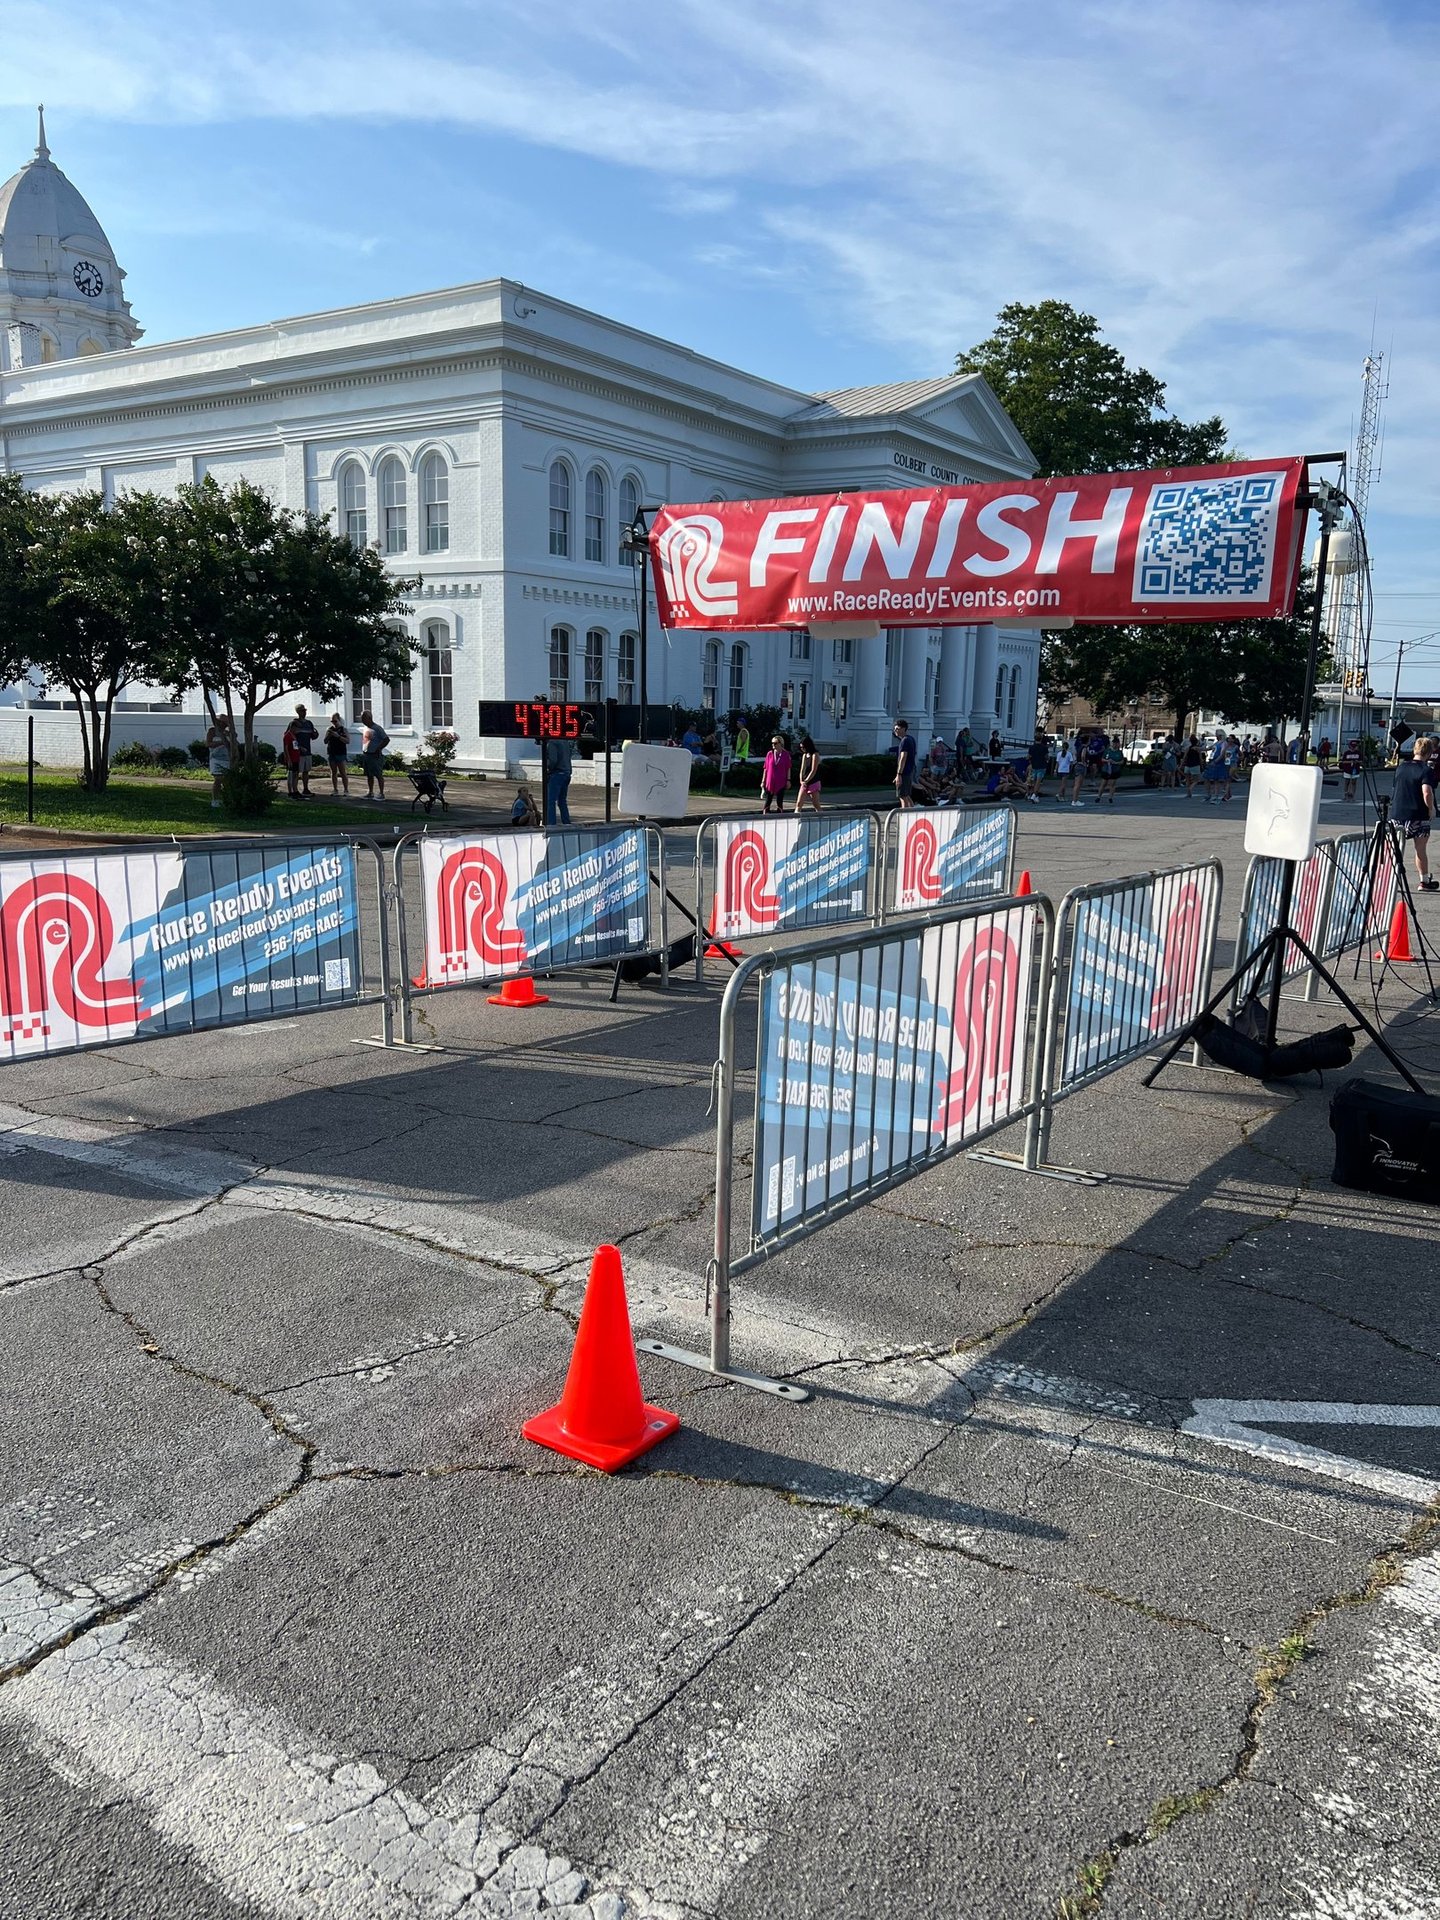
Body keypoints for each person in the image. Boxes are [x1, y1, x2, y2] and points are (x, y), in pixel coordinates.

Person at [1392, 739, 1438, 891]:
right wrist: (1431, 809)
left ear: (1415, 750)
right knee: (1420, 849)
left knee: (1396, 848)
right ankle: (1423, 881)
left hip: (1398, 813)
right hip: (1418, 814)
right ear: (1430, 753)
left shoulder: (1401, 768)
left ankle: (1392, 878)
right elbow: (1427, 792)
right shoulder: (1426, 770)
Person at [359, 706, 390, 799]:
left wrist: (378, 749)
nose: (362, 720)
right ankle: (370, 792)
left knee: (378, 774)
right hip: (366, 754)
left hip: (374, 755)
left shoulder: (377, 728)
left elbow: (386, 739)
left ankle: (381, 793)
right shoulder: (365, 728)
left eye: (363, 718)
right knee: (369, 775)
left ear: (369, 718)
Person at [546, 731, 574, 825]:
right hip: (566, 773)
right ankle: (566, 822)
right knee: (562, 801)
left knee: (550, 801)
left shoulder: (552, 742)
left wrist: (548, 768)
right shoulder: (564, 741)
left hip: (557, 773)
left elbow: (553, 760)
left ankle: (551, 823)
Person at [205, 714, 233, 810]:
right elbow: (208, 744)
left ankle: (228, 799)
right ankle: (215, 800)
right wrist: (222, 742)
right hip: (216, 758)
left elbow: (235, 745)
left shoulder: (227, 733)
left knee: (227, 781)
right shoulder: (212, 731)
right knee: (218, 779)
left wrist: (232, 738)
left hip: (227, 759)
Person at [290, 704, 318, 797]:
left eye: (305, 710)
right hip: (298, 753)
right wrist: (298, 747)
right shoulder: (293, 723)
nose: (304, 712)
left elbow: (313, 736)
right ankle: (295, 790)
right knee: (297, 772)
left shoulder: (309, 723)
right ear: (298, 712)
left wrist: (315, 734)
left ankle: (305, 789)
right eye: (302, 711)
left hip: (308, 751)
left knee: (306, 771)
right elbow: (290, 737)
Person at [761, 734, 792, 814]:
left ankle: (780, 815)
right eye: (772, 743)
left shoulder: (786, 754)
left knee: (779, 801)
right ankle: (765, 814)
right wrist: (763, 781)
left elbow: (788, 768)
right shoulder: (769, 754)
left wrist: (788, 780)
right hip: (770, 781)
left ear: (780, 743)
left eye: (775, 743)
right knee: (768, 800)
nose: (773, 745)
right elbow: (765, 768)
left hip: (781, 780)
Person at [893, 719, 918, 809]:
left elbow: (903, 757)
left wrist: (899, 774)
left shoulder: (905, 741)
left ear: (904, 729)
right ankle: (913, 812)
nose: (895, 730)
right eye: (895, 729)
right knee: (907, 795)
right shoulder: (911, 739)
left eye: (897, 729)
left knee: (902, 795)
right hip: (910, 770)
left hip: (905, 772)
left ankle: (905, 815)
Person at [323, 712, 350, 794]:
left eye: (335, 721)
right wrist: (329, 735)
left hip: (341, 753)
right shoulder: (329, 729)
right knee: (333, 772)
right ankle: (335, 789)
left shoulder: (343, 730)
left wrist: (338, 736)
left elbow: (347, 741)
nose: (334, 723)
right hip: (332, 753)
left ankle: (346, 789)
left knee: (342, 772)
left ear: (339, 720)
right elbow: (325, 741)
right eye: (332, 721)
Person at [795, 736, 822, 813]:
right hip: (804, 783)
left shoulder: (815, 755)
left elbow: (813, 770)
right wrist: (801, 780)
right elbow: (802, 769)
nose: (802, 749)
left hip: (814, 781)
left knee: (816, 804)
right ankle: (795, 820)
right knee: (799, 804)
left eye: (803, 747)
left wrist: (806, 781)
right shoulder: (804, 755)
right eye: (801, 747)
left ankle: (822, 818)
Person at [1055, 737, 1083, 807]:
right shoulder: (1069, 754)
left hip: (1060, 769)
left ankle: (1062, 796)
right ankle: (1059, 794)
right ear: (1068, 747)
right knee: (1064, 784)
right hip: (1065, 770)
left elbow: (1057, 763)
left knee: (1062, 783)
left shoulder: (1059, 754)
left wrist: (1055, 770)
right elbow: (1071, 762)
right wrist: (1071, 768)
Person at [1201, 734, 1227, 804]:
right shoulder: (1216, 743)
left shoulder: (1223, 743)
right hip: (1211, 761)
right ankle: (1208, 794)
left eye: (1217, 735)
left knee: (1216, 780)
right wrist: (1200, 748)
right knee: (1206, 778)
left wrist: (1216, 761)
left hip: (1218, 763)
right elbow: (1209, 748)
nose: (1216, 736)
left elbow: (1222, 754)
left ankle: (1216, 796)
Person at [1025, 729, 1048, 803]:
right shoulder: (1044, 748)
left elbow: (1028, 757)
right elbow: (1047, 757)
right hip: (1042, 765)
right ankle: (1034, 795)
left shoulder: (1032, 748)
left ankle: (1034, 795)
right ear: (1041, 739)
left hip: (1034, 766)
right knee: (1038, 782)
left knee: (1034, 782)